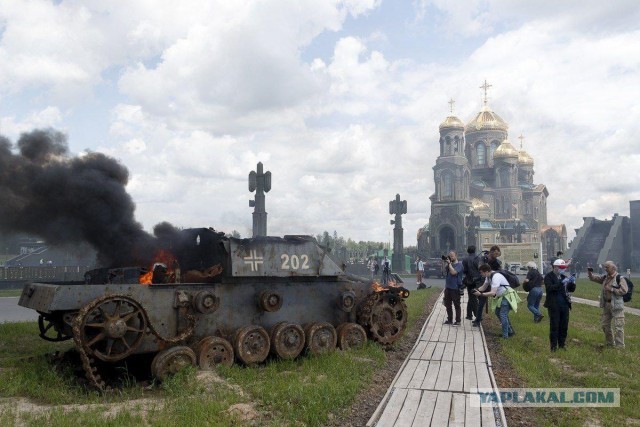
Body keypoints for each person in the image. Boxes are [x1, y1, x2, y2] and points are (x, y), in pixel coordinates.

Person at [474, 264, 521, 339]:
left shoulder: (496, 277)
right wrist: (476, 290)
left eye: (481, 272)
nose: (481, 274)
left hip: (507, 296)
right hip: (501, 297)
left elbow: (493, 292)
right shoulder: (488, 277)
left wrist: (481, 294)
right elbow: (483, 287)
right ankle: (510, 331)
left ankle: (505, 336)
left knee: (503, 315)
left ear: (486, 271)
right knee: (498, 312)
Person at [588, 261, 628, 349]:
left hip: (617, 305)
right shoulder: (606, 277)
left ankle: (620, 347)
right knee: (605, 324)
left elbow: (624, 290)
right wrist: (590, 273)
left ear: (613, 268)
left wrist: (612, 289)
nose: (605, 269)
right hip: (606, 305)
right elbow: (595, 278)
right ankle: (610, 344)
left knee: (618, 326)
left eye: (607, 267)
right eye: (605, 267)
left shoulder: (619, 278)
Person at [543, 259, 576, 351]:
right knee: (554, 326)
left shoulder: (563, 276)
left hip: (564, 305)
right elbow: (550, 288)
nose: (563, 270)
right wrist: (560, 283)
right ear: (555, 267)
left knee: (564, 326)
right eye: (561, 268)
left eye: (564, 268)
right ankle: (553, 346)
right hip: (554, 305)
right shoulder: (548, 277)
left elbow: (570, 290)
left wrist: (573, 283)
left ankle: (562, 344)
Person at [472, 245, 502, 327]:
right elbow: (480, 267)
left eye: (498, 254)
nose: (496, 256)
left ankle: (503, 321)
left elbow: (500, 271)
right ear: (491, 252)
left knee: (499, 304)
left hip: (492, 283)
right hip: (483, 282)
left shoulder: (496, 262)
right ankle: (478, 320)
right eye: (495, 253)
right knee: (481, 302)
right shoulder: (483, 258)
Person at [442, 250, 463, 326]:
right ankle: (449, 320)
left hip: (455, 288)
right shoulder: (448, 264)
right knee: (448, 304)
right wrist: (445, 263)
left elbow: (453, 273)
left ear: (456, 256)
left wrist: (450, 264)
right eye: (449, 256)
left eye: (452, 256)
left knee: (456, 305)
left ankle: (458, 321)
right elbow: (444, 272)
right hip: (448, 287)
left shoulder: (459, 265)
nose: (451, 257)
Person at [462, 245, 481, 321]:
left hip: (469, 280)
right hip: (477, 280)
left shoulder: (465, 259)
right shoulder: (478, 258)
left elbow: (464, 270)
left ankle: (471, 315)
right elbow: (480, 269)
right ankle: (475, 315)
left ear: (468, 251)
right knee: (473, 298)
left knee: (471, 297)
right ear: (475, 250)